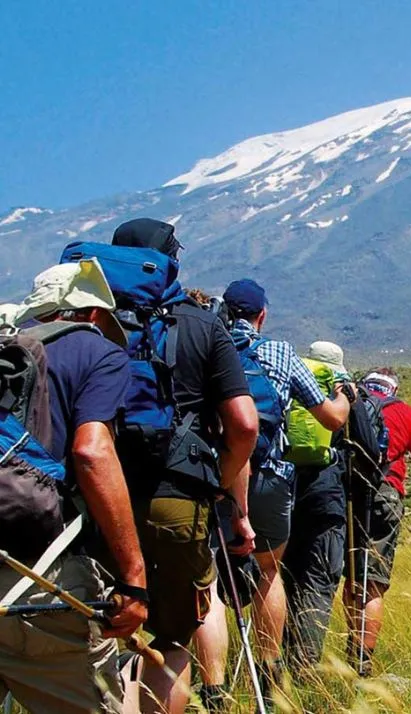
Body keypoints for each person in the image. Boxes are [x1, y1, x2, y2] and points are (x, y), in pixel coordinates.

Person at [102, 219, 260, 714]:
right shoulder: (201, 323)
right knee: (170, 639)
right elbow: (243, 424)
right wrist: (218, 483)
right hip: (177, 496)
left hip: (98, 499)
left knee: (104, 636)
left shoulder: (89, 317)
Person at [0, 260, 147, 713]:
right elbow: (91, 452)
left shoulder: (7, 348)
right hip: (41, 572)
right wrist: (134, 579)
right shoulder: (96, 350)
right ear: (94, 314)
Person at [219, 280, 350, 698]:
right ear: (262, 315)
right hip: (271, 477)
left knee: (213, 581)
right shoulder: (279, 353)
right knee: (268, 571)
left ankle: (216, 686)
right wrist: (344, 397)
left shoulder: (208, 345)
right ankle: (269, 673)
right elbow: (331, 419)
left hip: (217, 477)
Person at [345, 368, 411, 675]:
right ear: (393, 387)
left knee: (352, 576)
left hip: (347, 494)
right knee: (373, 583)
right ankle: (362, 662)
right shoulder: (401, 410)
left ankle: (350, 645)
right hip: (385, 494)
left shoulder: (350, 401)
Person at [283, 341, 353, 670]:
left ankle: (275, 664)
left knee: (284, 579)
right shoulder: (345, 397)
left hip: (285, 492)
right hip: (327, 499)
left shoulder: (290, 383)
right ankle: (304, 668)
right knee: (318, 582)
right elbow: (369, 451)